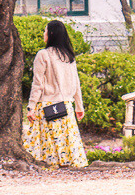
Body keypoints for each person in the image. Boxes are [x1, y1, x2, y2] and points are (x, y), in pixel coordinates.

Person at [25, 20, 88, 167]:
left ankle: (51, 165)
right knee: (67, 139)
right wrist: (79, 106)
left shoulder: (43, 55)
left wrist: (31, 106)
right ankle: (69, 164)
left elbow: (38, 84)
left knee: (49, 140)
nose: (44, 34)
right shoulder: (68, 56)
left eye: (45, 31)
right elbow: (76, 83)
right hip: (66, 106)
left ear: (51, 34)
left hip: (48, 105)